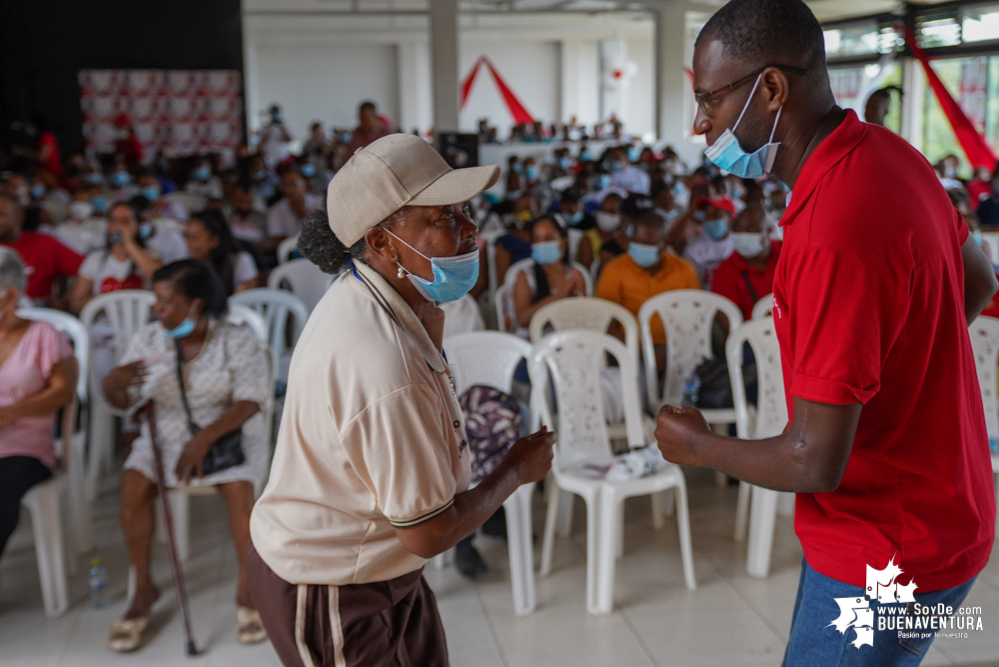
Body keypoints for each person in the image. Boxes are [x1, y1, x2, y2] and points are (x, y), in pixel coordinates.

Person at [655, 2, 997, 666]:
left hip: (883, 554)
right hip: (943, 513)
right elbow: (977, 280)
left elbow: (812, 459)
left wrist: (698, 445)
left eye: (710, 101)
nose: (699, 126)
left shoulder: (830, 231)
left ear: (772, 88)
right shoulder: (892, 156)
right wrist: (899, 374)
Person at [247, 133, 554, 667]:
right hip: (334, 584)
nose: (470, 229)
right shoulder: (381, 361)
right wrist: (513, 470)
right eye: (442, 219)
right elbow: (430, 533)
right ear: (383, 242)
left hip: (377, 569)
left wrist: (432, 311)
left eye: (463, 211)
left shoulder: (377, 293)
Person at [102, 259, 271, 652]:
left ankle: (248, 592)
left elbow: (251, 400)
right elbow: (125, 400)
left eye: (168, 303)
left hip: (227, 432)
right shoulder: (148, 341)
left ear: (198, 303)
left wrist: (206, 439)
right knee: (131, 487)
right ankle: (143, 589)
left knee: (240, 493)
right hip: (166, 432)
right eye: (156, 302)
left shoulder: (235, 340)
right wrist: (113, 384)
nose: (158, 311)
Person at [0, 248, 76, 560]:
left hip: (25, 445)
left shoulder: (43, 335)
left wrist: (8, 413)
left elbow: (64, 392)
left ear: (9, 297)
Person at [596, 211, 701, 348]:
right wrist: (643, 353)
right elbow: (606, 323)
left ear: (664, 244)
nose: (639, 247)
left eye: (647, 243)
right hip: (630, 346)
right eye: (635, 241)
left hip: (677, 345)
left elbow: (696, 315)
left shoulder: (684, 269)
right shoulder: (614, 269)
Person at [67, 202, 163, 314]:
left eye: (125, 221)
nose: (118, 225)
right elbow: (75, 303)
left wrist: (129, 244)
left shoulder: (151, 255)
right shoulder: (96, 258)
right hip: (103, 327)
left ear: (137, 226)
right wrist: (109, 301)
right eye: (113, 220)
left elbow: (160, 279)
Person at [0, 191, 83, 305]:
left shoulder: (44, 243)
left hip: (35, 315)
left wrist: (65, 299)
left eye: (1, 214)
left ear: (19, 217)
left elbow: (87, 270)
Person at [511, 216, 587, 331]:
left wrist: (577, 296)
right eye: (536, 239)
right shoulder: (525, 275)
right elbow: (522, 320)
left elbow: (584, 318)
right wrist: (560, 295)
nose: (542, 244)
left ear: (564, 242)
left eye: (548, 238)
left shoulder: (574, 275)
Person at [710, 205, 782, 321]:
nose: (744, 235)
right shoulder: (726, 270)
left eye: (752, 230)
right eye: (738, 230)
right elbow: (727, 320)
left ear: (768, 230)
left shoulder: (787, 254)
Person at [184, 209, 259, 295]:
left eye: (194, 238)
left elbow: (247, 301)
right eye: (186, 237)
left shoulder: (239, 261)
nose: (187, 243)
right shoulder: (187, 267)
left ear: (214, 241)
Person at [670, 197, 735, 289]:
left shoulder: (741, 245)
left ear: (730, 218)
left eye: (716, 214)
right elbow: (692, 283)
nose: (710, 219)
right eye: (707, 215)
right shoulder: (693, 249)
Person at [267, 167, 323, 247]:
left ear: (305, 185)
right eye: (284, 185)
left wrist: (304, 215)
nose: (288, 190)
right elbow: (279, 245)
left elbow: (326, 234)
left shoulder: (320, 203)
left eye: (293, 184)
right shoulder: (275, 211)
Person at [577, 191, 623, 270]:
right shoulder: (587, 238)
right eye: (603, 210)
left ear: (621, 214)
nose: (606, 215)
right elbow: (587, 272)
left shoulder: (624, 238)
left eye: (612, 211)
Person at [55, 188, 107, 256]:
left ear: (91, 205)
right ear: (69, 205)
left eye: (84, 201)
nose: (80, 205)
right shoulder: (60, 229)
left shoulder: (102, 224)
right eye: (77, 201)